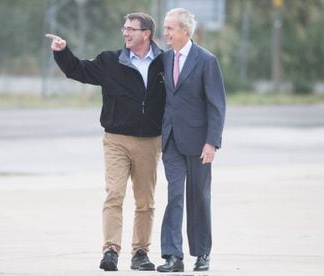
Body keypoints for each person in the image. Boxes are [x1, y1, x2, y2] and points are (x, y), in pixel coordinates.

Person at [46, 12, 165, 272]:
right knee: (115, 194)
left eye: (131, 29)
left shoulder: (165, 63)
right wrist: (62, 52)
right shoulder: (110, 61)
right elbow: (78, 70)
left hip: (149, 142)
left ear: (146, 34)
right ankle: (110, 251)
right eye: (124, 28)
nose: (125, 33)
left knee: (145, 201)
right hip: (116, 140)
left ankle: (140, 253)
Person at [157, 8, 226, 273]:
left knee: (198, 196)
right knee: (174, 194)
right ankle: (173, 256)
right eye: (165, 28)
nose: (166, 33)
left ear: (185, 30)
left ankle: (202, 253)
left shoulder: (206, 60)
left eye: (170, 28)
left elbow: (217, 106)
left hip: (199, 142)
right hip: (171, 139)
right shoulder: (163, 59)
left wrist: (212, 142)